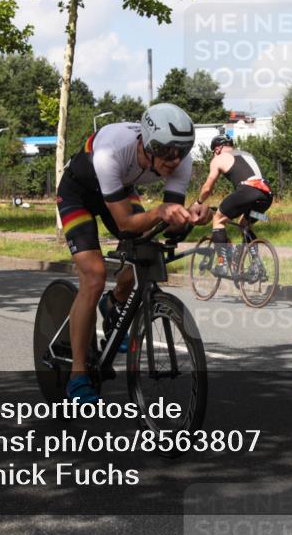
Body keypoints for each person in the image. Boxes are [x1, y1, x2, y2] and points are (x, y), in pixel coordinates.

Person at [56, 103, 212, 404]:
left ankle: (113, 304)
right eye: (168, 152)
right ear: (149, 144)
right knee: (94, 275)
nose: (175, 160)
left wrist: (193, 216)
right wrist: (161, 211)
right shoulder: (111, 151)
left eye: (182, 150)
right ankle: (77, 376)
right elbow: (125, 223)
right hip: (78, 194)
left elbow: (169, 229)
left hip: (119, 190)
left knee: (147, 253)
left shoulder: (181, 162)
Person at [196, 134, 273, 276]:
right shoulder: (247, 154)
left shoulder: (219, 158)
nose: (214, 154)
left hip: (248, 190)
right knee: (244, 225)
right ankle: (256, 264)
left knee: (218, 219)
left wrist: (198, 202)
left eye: (213, 151)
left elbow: (207, 189)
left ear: (218, 148)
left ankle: (222, 263)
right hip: (266, 195)